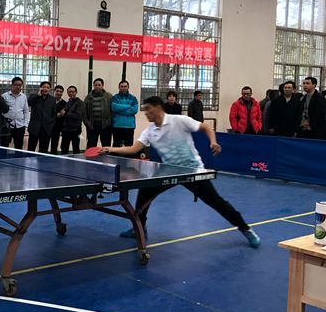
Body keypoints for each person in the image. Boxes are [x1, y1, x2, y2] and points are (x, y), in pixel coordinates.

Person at [102, 96, 260, 248]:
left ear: (158, 108)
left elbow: (205, 127)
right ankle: (139, 228)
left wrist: (213, 142)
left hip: (193, 171)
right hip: (170, 172)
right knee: (144, 193)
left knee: (217, 202)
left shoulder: (178, 120)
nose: (146, 113)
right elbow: (134, 149)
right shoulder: (150, 131)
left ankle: (246, 229)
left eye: (148, 109)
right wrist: (110, 149)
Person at [28, 81, 56, 153]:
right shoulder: (34, 96)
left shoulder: (52, 99)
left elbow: (54, 114)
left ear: (50, 89)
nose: (46, 89)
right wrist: (38, 95)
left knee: (44, 150)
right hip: (34, 128)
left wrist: (51, 125)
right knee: (31, 149)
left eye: (48, 88)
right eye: (44, 87)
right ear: (40, 88)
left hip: (46, 129)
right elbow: (29, 103)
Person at [1, 76, 29, 149]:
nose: (18, 87)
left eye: (20, 85)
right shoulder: (4, 96)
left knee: (19, 146)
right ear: (11, 85)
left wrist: (25, 124)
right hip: (7, 126)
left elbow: (26, 111)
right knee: (4, 145)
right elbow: (0, 110)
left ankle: (18, 157)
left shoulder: (23, 96)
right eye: (16, 85)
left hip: (20, 126)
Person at [84, 78, 112, 148]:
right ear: (93, 86)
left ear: (103, 85)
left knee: (106, 146)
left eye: (99, 85)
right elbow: (84, 112)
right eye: (95, 85)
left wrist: (109, 122)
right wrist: (87, 123)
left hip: (106, 126)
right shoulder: (88, 97)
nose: (97, 87)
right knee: (91, 146)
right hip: (92, 126)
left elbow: (113, 111)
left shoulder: (109, 96)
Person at [111, 80, 138, 147]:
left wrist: (120, 110)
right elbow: (114, 108)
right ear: (119, 87)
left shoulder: (133, 98)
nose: (123, 88)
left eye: (125, 86)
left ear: (128, 87)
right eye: (122, 86)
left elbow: (134, 110)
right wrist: (128, 106)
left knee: (129, 147)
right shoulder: (114, 98)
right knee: (116, 147)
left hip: (129, 126)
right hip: (117, 126)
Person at [60, 85, 85, 154]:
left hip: (75, 129)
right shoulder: (68, 102)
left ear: (76, 92)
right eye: (69, 92)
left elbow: (77, 115)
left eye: (72, 92)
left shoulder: (80, 103)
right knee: (64, 148)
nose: (71, 93)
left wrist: (65, 113)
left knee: (75, 148)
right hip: (66, 129)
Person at [50, 85, 66, 154]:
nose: (59, 93)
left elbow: (64, 117)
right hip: (47, 126)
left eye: (60, 91)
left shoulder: (64, 103)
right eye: (57, 91)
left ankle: (53, 157)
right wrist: (56, 115)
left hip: (57, 127)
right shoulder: (49, 101)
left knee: (54, 144)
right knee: (44, 144)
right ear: (54, 91)